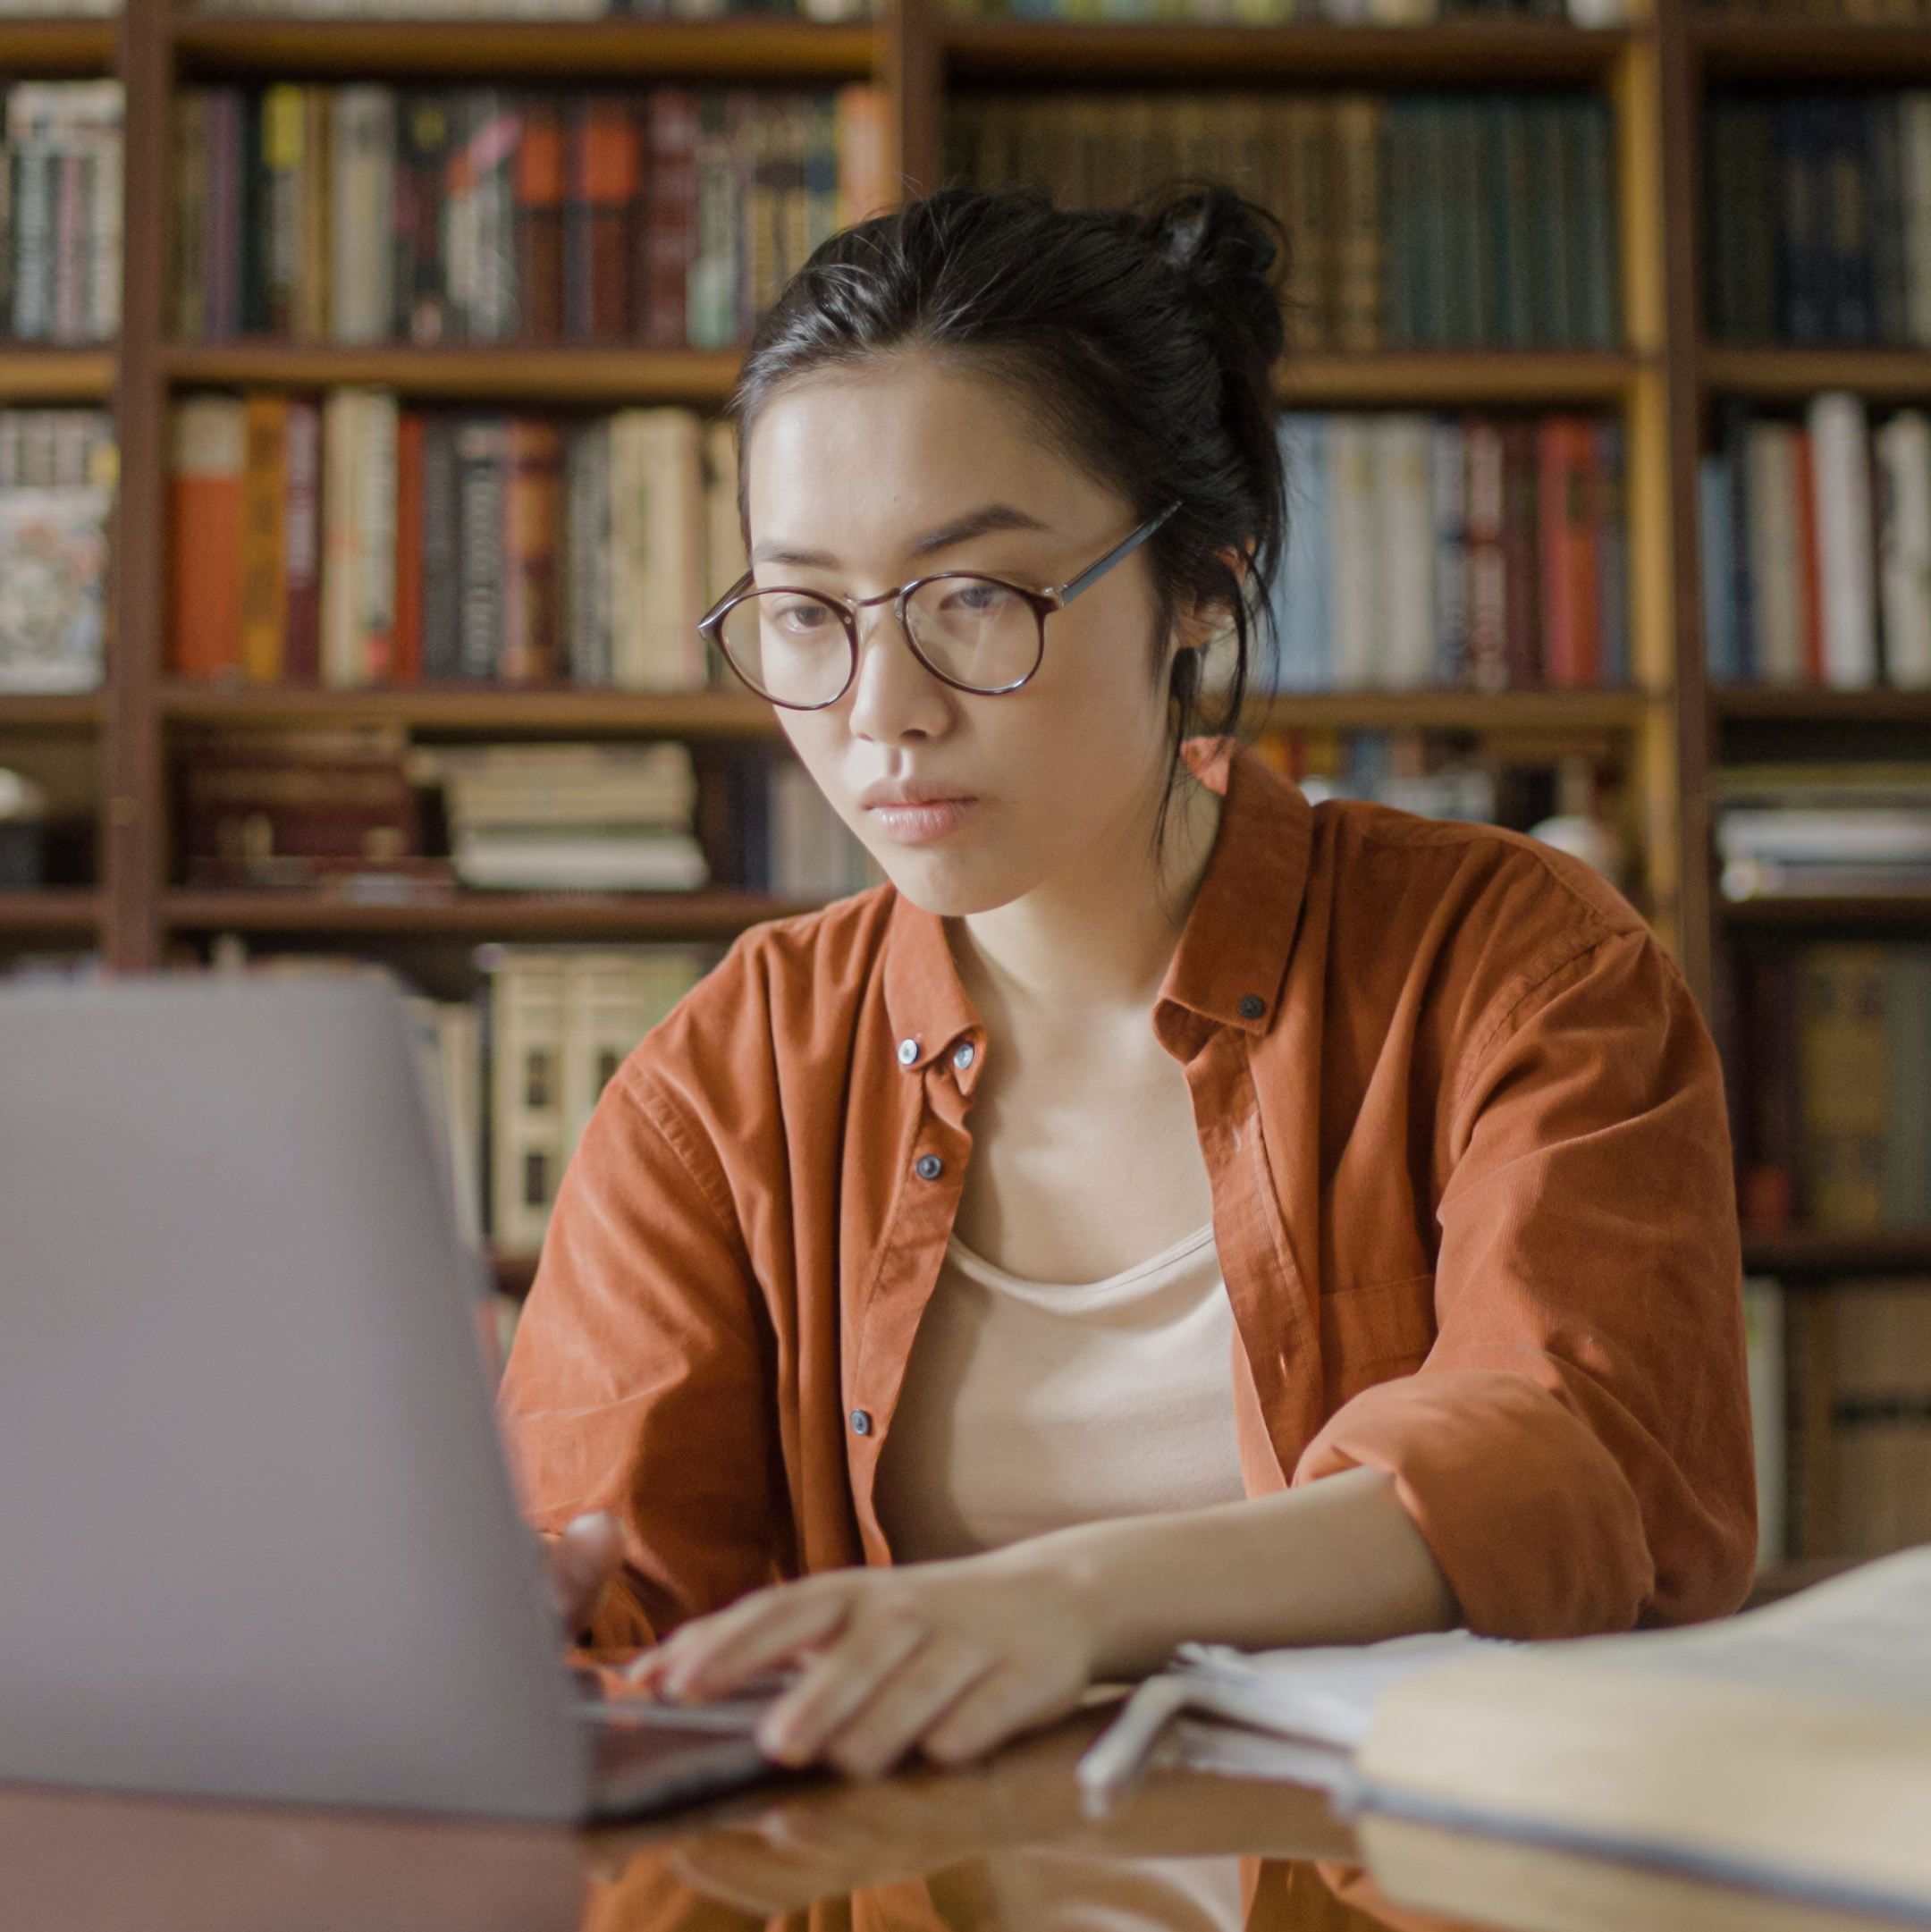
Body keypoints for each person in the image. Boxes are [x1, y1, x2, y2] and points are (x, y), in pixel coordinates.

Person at [502, 184, 1755, 1786]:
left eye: (973, 599)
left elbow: (1591, 1468)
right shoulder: (723, 1085)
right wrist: (519, 1635)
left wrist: (1067, 1601)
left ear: (1202, 590)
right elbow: (626, 1611)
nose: (882, 712)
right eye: (809, 614)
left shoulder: (1512, 967)